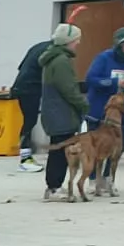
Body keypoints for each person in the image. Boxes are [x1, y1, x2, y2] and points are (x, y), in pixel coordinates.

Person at [37, 22, 86, 199]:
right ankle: (54, 187)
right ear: (68, 41)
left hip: (55, 111)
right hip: (61, 112)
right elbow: (69, 89)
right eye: (76, 40)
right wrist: (83, 104)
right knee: (60, 151)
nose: (78, 43)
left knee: (58, 148)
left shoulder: (53, 59)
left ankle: (54, 186)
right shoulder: (61, 61)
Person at [10, 36, 49, 172]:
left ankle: (26, 157)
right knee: (29, 122)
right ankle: (25, 159)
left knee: (29, 121)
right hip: (29, 88)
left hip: (21, 86)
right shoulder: (51, 51)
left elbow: (21, 66)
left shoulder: (39, 46)